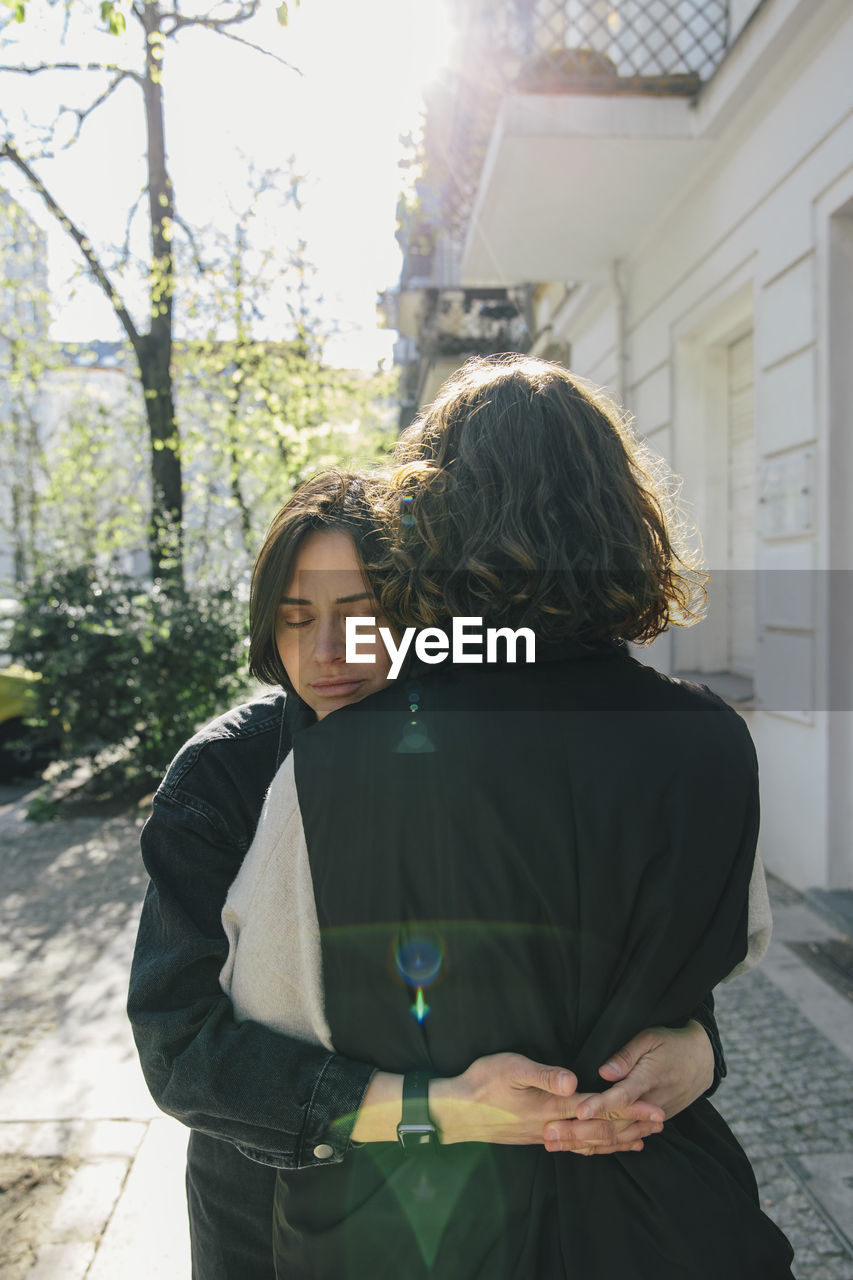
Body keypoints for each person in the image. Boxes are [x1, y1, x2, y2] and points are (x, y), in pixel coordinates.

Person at [219, 358, 792, 1278]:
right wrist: (691, 1051)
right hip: (662, 1218)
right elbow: (732, 945)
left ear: (429, 525)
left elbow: (270, 1012)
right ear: (622, 520)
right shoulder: (713, 740)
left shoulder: (332, 764)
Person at [128, 468, 728, 1279]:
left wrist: (697, 1047)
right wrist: (435, 1111)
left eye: (359, 616)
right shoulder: (221, 778)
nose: (325, 652)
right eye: (294, 618)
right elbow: (180, 1049)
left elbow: (608, 956)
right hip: (267, 1210)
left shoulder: (481, 756)